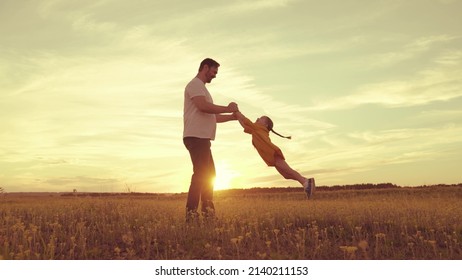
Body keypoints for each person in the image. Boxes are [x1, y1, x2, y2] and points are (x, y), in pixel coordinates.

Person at [183, 58, 239, 222]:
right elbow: (203, 107)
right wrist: (227, 108)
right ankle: (191, 216)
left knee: (210, 175)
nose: (214, 75)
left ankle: (207, 214)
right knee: (201, 175)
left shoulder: (203, 89)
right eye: (214, 72)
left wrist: (231, 117)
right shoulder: (194, 85)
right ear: (205, 67)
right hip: (196, 136)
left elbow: (211, 116)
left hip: (202, 138)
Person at [234, 111, 315, 198]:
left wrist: (236, 111)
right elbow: (244, 125)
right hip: (271, 156)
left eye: (261, 118)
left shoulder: (257, 127)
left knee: (289, 171)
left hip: (272, 153)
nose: (258, 118)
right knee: (286, 175)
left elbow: (245, 120)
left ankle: (305, 182)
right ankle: (307, 182)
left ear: (265, 125)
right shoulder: (256, 129)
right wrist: (237, 116)